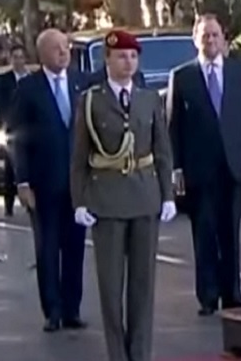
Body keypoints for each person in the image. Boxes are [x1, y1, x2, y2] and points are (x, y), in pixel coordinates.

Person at [71, 30, 176, 361]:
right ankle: (118, 354)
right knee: (111, 287)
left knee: (143, 286)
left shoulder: (149, 99)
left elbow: (162, 150)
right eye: (121, 56)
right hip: (107, 200)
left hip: (145, 197)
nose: (128, 62)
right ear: (107, 60)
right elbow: (78, 158)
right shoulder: (91, 101)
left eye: (133, 57)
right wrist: (79, 201)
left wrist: (168, 195)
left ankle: (141, 353)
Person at [167, 14, 241, 315]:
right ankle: (207, 296)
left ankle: (232, 292)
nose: (211, 41)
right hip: (199, 169)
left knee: (230, 232)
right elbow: (173, 127)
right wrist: (176, 168)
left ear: (224, 39)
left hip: (233, 165)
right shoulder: (182, 77)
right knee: (204, 233)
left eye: (215, 35)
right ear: (196, 40)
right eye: (205, 36)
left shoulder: (240, 72)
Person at [11, 29, 87, 332]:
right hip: (43, 183)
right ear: (42, 54)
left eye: (65, 47)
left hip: (77, 183)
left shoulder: (81, 82)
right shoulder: (29, 89)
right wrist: (23, 182)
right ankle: (52, 310)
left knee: (75, 247)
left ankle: (72, 309)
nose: (63, 52)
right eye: (56, 49)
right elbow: (17, 138)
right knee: (47, 247)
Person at [0, 43, 32, 217]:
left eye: (21, 57)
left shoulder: (31, 78)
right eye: (15, 57)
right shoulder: (4, 81)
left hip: (30, 129)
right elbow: (0, 106)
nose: (18, 61)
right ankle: (8, 204)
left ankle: (31, 203)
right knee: (11, 169)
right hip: (13, 131)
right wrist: (3, 127)